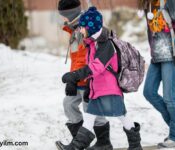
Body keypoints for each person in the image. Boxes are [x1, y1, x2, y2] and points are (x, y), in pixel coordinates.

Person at [61, 6, 143, 150]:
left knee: (122, 116)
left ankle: (135, 146)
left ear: (90, 28)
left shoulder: (106, 45)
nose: (80, 30)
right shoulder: (93, 43)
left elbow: (96, 67)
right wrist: (88, 86)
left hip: (109, 89)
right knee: (91, 117)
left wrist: (74, 76)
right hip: (98, 89)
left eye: (82, 27)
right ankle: (78, 146)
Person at [56, 1, 112, 150]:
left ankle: (104, 143)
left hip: (90, 78)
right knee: (68, 104)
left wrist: (83, 79)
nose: (64, 19)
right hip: (78, 77)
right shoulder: (73, 30)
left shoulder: (87, 28)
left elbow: (91, 58)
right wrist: (72, 79)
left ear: (70, 14)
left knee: (92, 110)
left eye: (64, 15)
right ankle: (79, 141)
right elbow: (77, 59)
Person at [137, 0, 175, 148]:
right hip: (157, 56)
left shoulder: (169, 1)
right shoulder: (148, 4)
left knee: (169, 96)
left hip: (172, 54)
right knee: (149, 92)